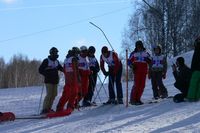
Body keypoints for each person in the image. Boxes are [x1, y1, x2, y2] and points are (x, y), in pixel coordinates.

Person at [39, 47, 63, 114]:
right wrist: (46, 73)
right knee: (49, 94)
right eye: (55, 53)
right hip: (48, 81)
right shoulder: (46, 61)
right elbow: (40, 70)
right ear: (51, 53)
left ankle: (49, 108)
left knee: (54, 95)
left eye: (57, 53)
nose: (56, 54)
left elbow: (61, 68)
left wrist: (66, 71)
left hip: (55, 81)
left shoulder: (56, 61)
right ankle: (44, 109)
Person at [56, 48, 80, 114]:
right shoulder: (73, 59)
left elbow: (64, 69)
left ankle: (60, 107)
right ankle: (69, 107)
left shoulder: (66, 59)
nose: (78, 55)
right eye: (77, 53)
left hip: (68, 77)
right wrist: (78, 79)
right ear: (75, 53)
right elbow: (76, 69)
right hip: (73, 76)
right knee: (73, 92)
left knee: (67, 93)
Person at [128, 40, 151, 105]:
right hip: (137, 70)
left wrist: (148, 60)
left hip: (144, 71)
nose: (139, 48)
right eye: (137, 46)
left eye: (140, 46)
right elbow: (129, 61)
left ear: (142, 46)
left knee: (142, 86)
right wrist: (132, 66)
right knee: (136, 85)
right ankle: (133, 99)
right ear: (136, 47)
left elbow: (150, 60)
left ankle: (138, 99)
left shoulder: (145, 53)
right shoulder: (134, 53)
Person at [187, 37, 200, 101]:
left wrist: (192, 69)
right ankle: (197, 96)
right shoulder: (197, 50)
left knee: (193, 83)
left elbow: (194, 60)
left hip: (196, 69)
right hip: (197, 68)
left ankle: (191, 96)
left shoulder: (196, 50)